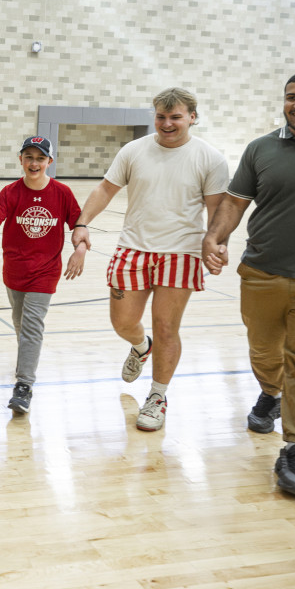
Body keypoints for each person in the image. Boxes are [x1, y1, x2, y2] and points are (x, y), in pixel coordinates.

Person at [202, 70, 295, 499]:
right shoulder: (261, 148)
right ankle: (269, 391)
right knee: (265, 350)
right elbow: (235, 201)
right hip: (263, 273)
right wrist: (215, 236)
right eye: (291, 97)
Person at [70, 87, 229, 431]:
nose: (167, 123)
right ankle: (141, 347)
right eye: (161, 116)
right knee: (123, 322)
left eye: (175, 117)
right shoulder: (133, 150)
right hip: (133, 248)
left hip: (181, 252)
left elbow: (218, 209)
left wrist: (216, 243)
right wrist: (82, 223)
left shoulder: (210, 158)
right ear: (154, 116)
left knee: (167, 326)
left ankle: (157, 396)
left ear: (192, 117)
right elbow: (105, 190)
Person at [0, 136, 86, 413]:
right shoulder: (10, 192)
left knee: (31, 326)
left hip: (46, 272)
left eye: (40, 158)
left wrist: (80, 249)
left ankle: (24, 385)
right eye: (29, 157)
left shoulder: (63, 193)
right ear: (21, 159)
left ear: (49, 162)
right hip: (15, 270)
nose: (34, 163)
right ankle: (25, 362)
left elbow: (79, 225)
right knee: (20, 324)